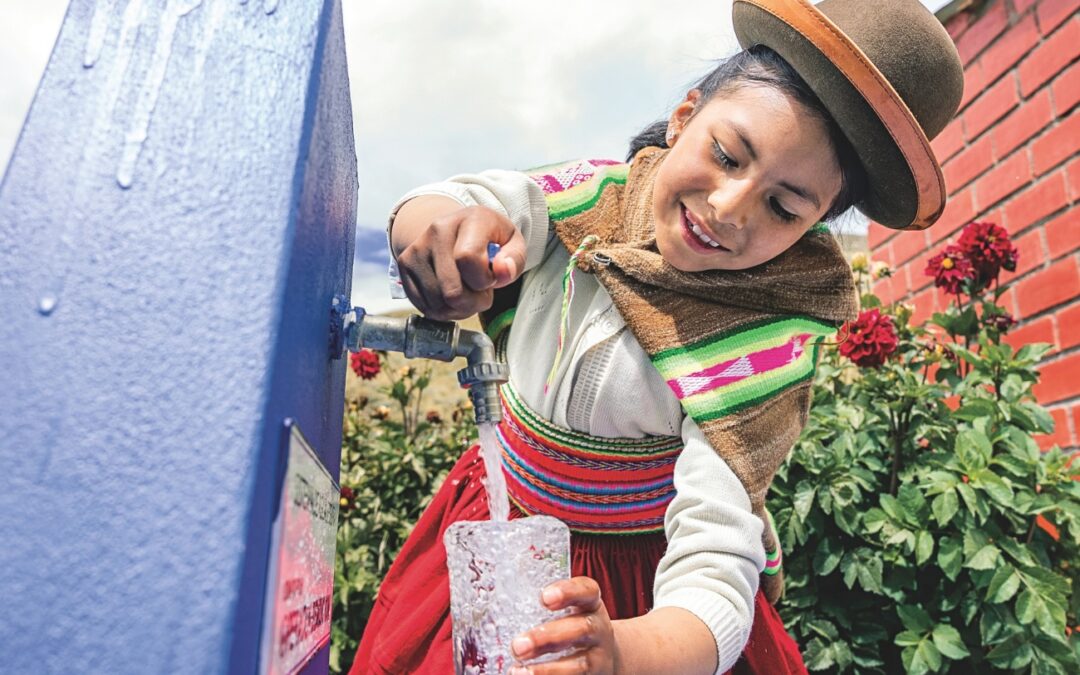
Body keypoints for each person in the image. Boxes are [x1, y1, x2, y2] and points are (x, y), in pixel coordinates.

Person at [350, 0, 963, 673]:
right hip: (495, 531)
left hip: (633, 602)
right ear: (684, 116)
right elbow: (475, 202)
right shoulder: (586, 204)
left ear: (811, 228)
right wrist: (438, 229)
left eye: (783, 207)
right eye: (727, 154)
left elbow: (717, 563)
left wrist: (623, 651)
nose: (728, 208)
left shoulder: (762, 339)